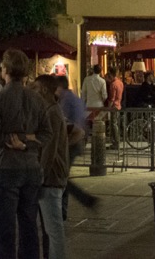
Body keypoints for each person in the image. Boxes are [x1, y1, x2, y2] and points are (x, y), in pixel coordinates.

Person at [0, 49, 50, 259]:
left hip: (5, 167)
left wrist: (15, 140)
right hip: (31, 168)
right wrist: (27, 142)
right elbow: (47, 134)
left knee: (5, 232)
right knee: (29, 227)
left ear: (5, 70)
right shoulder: (37, 99)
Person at [33, 75, 71, 259]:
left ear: (44, 90)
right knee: (51, 229)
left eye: (36, 88)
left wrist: (40, 176)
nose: (33, 92)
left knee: (54, 230)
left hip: (51, 179)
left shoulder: (51, 113)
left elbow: (49, 149)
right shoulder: (51, 111)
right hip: (53, 177)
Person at [55, 75, 98, 218]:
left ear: (59, 87)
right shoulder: (75, 98)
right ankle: (64, 210)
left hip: (71, 142)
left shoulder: (65, 100)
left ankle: (83, 201)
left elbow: (63, 121)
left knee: (62, 176)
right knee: (63, 176)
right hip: (77, 141)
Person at [104, 70, 124, 149]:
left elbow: (112, 98)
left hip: (114, 106)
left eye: (108, 78)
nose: (107, 81)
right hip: (118, 105)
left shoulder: (113, 84)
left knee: (113, 124)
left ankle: (115, 143)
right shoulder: (120, 82)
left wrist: (108, 107)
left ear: (111, 76)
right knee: (116, 124)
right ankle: (117, 141)